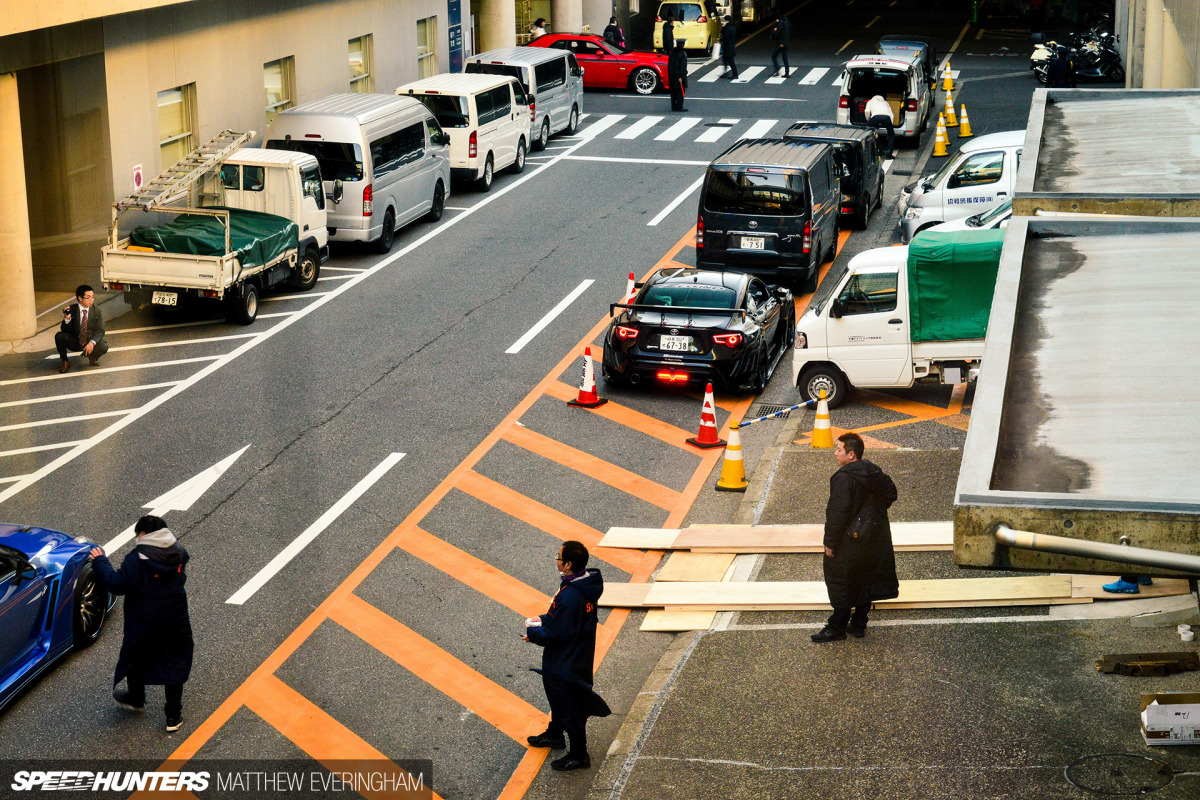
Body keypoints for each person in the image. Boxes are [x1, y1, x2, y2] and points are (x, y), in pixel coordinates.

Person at [89, 515, 194, 732]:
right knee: (174, 660)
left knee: (136, 655)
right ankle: (173, 717)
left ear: (143, 534)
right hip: (175, 618)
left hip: (144, 619)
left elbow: (116, 584)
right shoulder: (179, 552)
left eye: (137, 535)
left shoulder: (137, 560)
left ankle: (137, 699)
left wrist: (100, 561)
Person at [524, 541, 610, 771]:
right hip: (576, 655)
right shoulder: (583, 586)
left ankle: (579, 754)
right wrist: (544, 618)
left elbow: (557, 633)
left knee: (569, 704)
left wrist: (533, 634)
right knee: (560, 699)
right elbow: (564, 620)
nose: (556, 560)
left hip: (566, 660)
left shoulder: (571, 596)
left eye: (559, 557)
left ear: (569, 565)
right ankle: (555, 734)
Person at [812, 433, 899, 643]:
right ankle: (858, 624)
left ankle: (836, 627)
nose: (835, 453)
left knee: (840, 579)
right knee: (865, 578)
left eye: (839, 449)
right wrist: (871, 515)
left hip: (849, 541)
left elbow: (837, 514)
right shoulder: (873, 472)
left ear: (851, 454)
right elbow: (891, 494)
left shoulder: (844, 478)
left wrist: (830, 543)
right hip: (873, 539)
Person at [55, 284, 108, 373]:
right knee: (59, 336)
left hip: (88, 340)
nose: (91, 300)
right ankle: (65, 361)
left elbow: (101, 330)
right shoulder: (72, 309)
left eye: (93, 297)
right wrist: (67, 318)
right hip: (75, 341)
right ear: (80, 298)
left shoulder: (96, 311)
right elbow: (64, 330)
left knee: (103, 346)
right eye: (88, 297)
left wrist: (92, 342)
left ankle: (93, 357)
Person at [668, 39, 689, 112]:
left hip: (672, 75)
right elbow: (683, 66)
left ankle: (674, 106)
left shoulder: (672, 52)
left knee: (673, 92)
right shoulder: (683, 54)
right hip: (679, 75)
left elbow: (670, 65)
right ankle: (680, 106)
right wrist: (681, 76)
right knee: (680, 92)